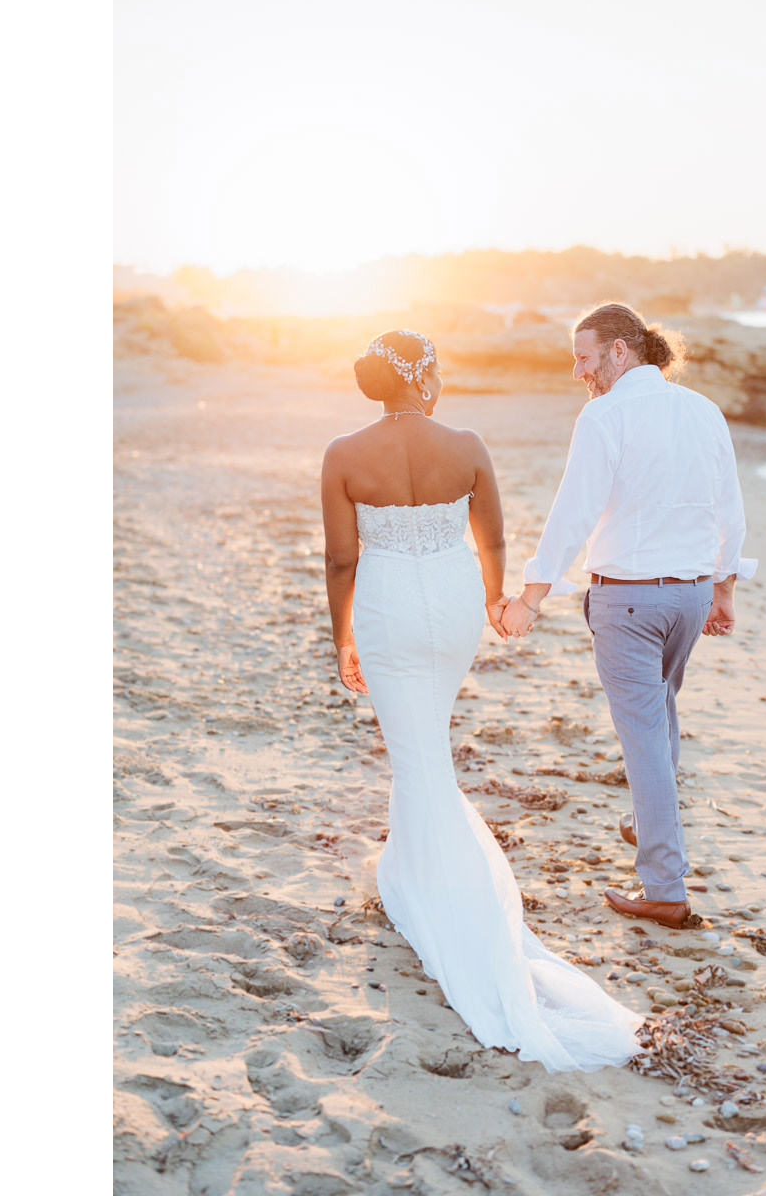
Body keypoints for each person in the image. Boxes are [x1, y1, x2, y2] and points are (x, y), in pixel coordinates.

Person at [320, 329, 644, 1072]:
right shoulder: (466, 442)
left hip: (390, 604)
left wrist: (342, 636)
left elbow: (342, 557)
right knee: (424, 743)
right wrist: (494, 598)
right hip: (456, 600)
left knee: (418, 751)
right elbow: (491, 534)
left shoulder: (343, 453)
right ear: (424, 375)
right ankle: (406, 873)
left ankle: (456, 909)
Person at [501, 304, 757, 931]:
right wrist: (724, 589)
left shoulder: (605, 415)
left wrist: (531, 596)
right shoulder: (704, 410)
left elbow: (573, 513)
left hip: (630, 601)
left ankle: (665, 887)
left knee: (643, 734)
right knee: (660, 709)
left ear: (621, 351)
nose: (578, 371)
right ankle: (649, 820)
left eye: (585, 357)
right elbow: (731, 508)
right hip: (692, 595)